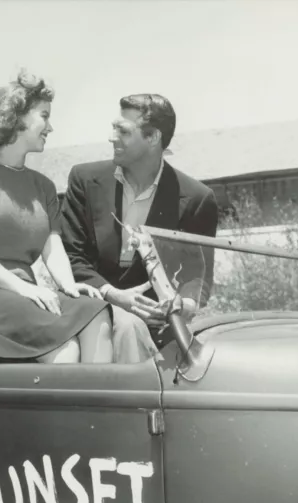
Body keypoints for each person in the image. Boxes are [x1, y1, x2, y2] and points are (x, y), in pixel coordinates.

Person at [0, 70, 113, 364]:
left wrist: (69, 286)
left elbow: (53, 246)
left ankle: (96, 409)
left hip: (25, 293)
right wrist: (23, 287)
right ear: (17, 117)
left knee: (95, 312)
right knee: (64, 348)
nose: (51, 127)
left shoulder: (43, 186)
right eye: (44, 116)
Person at [61, 93, 219, 363]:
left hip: (159, 322)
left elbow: (198, 275)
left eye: (122, 131)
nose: (111, 137)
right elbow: (70, 258)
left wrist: (185, 305)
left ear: (153, 137)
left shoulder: (197, 198)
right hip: (91, 308)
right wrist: (114, 296)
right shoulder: (84, 180)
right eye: (113, 128)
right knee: (126, 327)